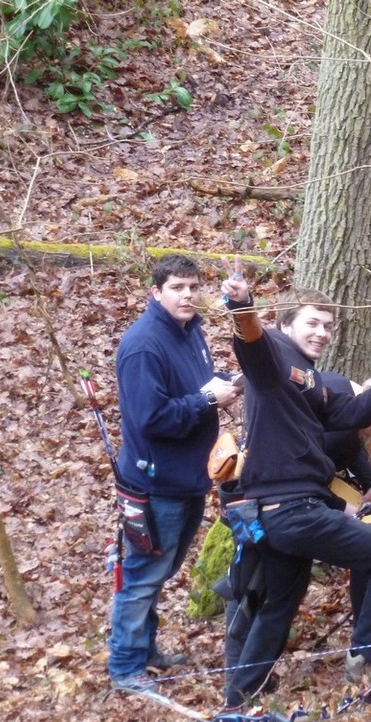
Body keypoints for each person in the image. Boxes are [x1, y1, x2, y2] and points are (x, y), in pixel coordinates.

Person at [218, 270, 371, 705]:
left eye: (328, 325)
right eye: (312, 322)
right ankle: (367, 666)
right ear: (285, 324)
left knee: (279, 605)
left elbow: (355, 413)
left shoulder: (307, 379)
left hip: (276, 513)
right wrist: (241, 305)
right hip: (292, 509)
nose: (322, 333)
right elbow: (250, 341)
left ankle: (240, 695)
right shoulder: (272, 359)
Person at [108, 254, 241, 693]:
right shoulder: (143, 345)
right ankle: (125, 667)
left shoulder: (190, 331)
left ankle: (144, 651)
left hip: (188, 478)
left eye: (192, 287)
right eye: (177, 288)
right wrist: (209, 400)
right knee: (142, 574)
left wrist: (224, 383)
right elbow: (151, 418)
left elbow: (193, 386)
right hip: (153, 483)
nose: (187, 295)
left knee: (158, 572)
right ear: (156, 292)